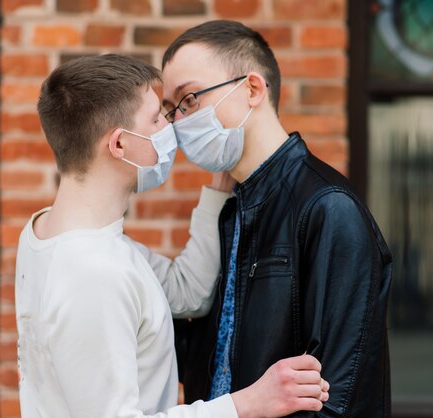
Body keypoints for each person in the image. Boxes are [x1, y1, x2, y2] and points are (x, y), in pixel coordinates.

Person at [14, 54, 330, 418]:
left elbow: (186, 291)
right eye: (155, 118)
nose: (171, 125)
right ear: (119, 145)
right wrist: (246, 403)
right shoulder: (94, 271)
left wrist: (216, 193)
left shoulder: (46, 234)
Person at [161, 20, 393, 417]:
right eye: (172, 110)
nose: (180, 122)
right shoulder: (233, 208)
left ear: (251, 89)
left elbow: (337, 396)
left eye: (190, 100)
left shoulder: (327, 207)